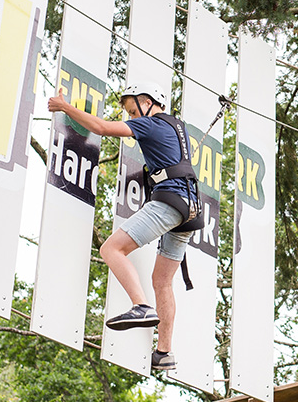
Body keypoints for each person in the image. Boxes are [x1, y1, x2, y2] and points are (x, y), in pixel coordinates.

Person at [46, 80, 200, 372]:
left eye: (133, 110)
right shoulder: (175, 127)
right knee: (162, 281)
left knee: (111, 249)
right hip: (190, 210)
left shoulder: (151, 124)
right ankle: (164, 352)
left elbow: (102, 128)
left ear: (148, 103)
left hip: (170, 203)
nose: (131, 117)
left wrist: (64, 107)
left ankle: (141, 306)